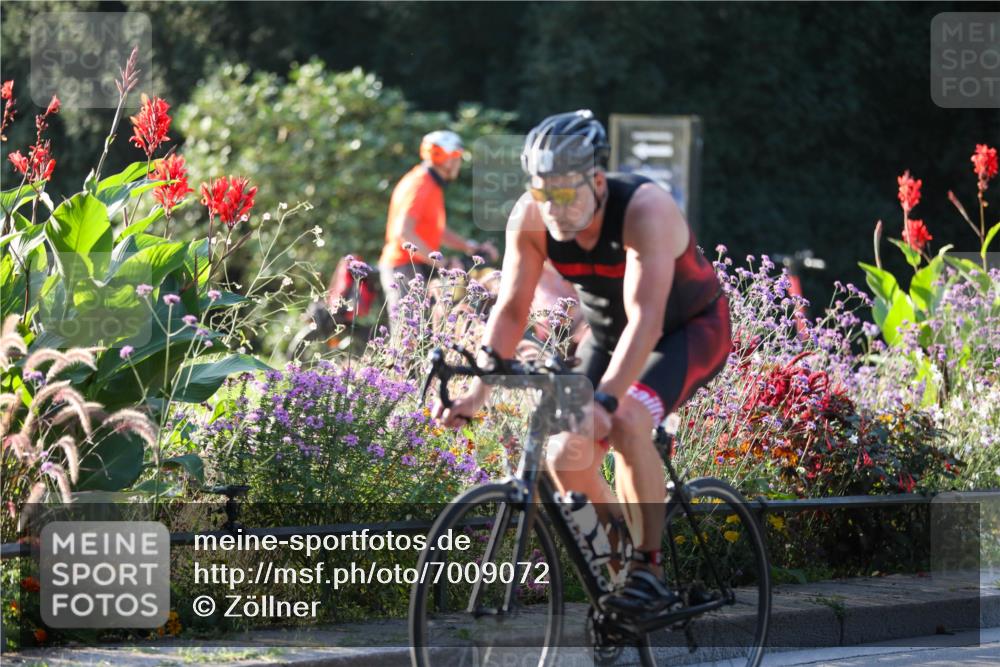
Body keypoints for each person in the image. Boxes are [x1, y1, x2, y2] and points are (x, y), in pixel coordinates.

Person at [436, 110, 732, 616]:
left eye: (564, 192)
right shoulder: (531, 217)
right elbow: (511, 309)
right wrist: (478, 392)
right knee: (563, 457)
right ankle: (622, 577)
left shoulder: (644, 210)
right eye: (542, 192)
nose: (553, 207)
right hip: (610, 335)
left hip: (686, 329)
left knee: (627, 419)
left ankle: (649, 571)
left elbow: (646, 321)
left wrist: (606, 400)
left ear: (597, 181)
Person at [378, 130, 498, 330]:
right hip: (404, 267)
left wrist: (470, 247)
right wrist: (443, 263)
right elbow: (404, 233)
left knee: (425, 332)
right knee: (407, 335)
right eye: (457, 157)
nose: (459, 163)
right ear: (446, 159)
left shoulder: (430, 184)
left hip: (416, 266)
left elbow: (438, 230)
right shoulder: (420, 184)